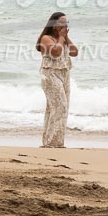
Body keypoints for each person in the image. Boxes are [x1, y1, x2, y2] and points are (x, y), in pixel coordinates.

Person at [36, 12, 78, 148]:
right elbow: (56, 52)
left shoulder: (63, 39)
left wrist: (66, 37)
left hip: (64, 74)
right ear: (53, 25)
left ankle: (54, 141)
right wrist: (61, 37)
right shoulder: (46, 38)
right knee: (60, 106)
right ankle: (52, 142)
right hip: (50, 74)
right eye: (62, 22)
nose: (65, 25)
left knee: (58, 108)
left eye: (66, 23)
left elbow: (74, 52)